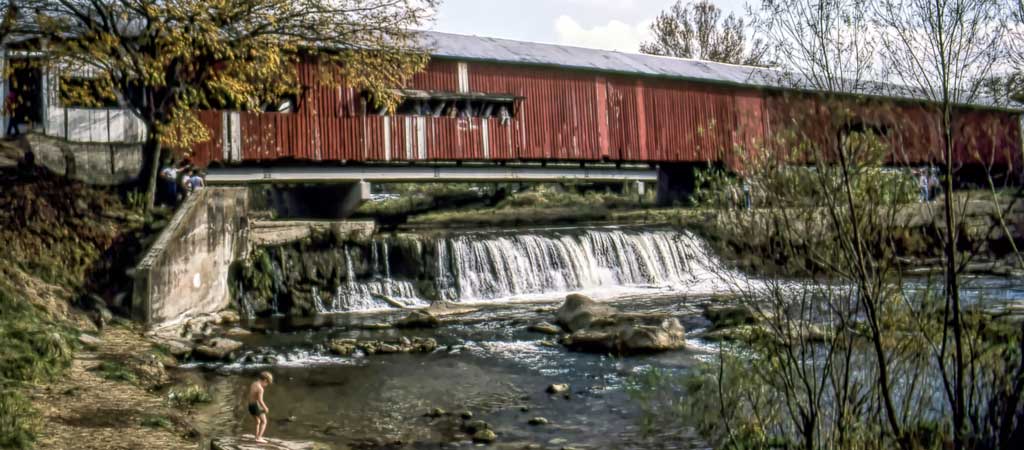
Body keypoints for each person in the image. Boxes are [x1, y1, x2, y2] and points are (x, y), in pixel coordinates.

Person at [248, 371, 273, 443]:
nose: (266, 385)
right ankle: (259, 438)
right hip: (256, 406)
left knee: (257, 421)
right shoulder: (260, 389)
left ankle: (256, 437)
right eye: (267, 383)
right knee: (264, 422)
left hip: (250, 405)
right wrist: (265, 408)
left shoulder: (254, 383)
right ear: (265, 380)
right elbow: (260, 400)